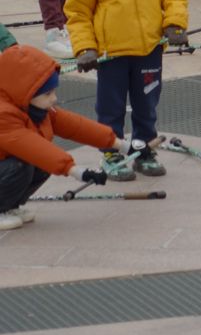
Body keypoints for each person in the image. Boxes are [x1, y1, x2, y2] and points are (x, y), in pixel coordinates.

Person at [0, 45, 122, 232]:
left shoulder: (35, 108)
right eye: (48, 93)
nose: (54, 98)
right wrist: (75, 170)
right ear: (26, 93)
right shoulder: (4, 115)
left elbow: (76, 126)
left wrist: (121, 145)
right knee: (22, 165)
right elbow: (31, 146)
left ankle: (9, 206)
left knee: (38, 165)